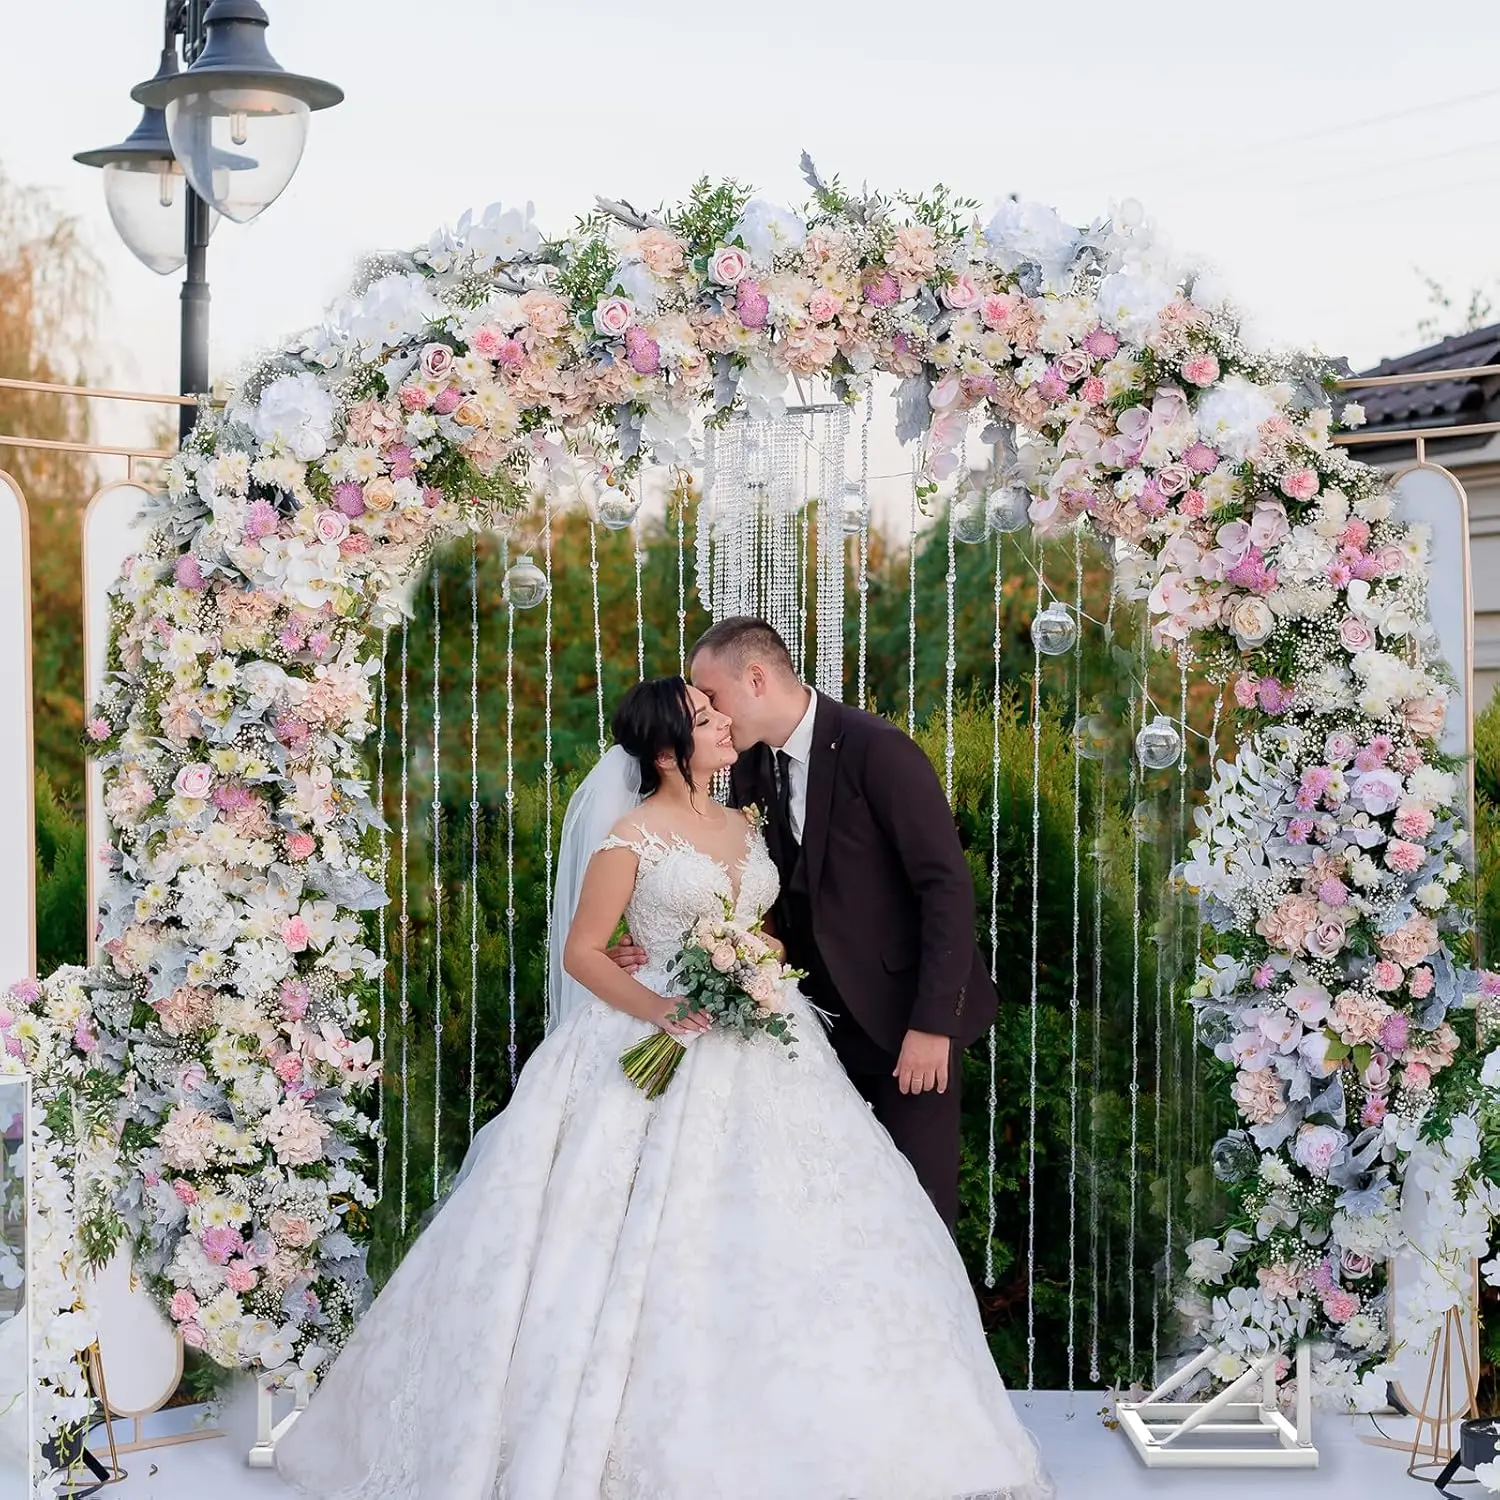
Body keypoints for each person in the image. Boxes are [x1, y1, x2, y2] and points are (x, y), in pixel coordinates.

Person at [275, 676, 1050, 1500]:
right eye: (706, 718)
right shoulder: (630, 837)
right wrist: (662, 1005)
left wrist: (752, 963)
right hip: (657, 1039)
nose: (725, 723)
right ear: (668, 751)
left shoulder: (744, 821)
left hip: (767, 1041)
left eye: (721, 710)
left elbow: (764, 926)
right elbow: (583, 950)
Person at [614, 618, 998, 1231]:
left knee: (917, 1216)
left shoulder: (878, 749)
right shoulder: (743, 770)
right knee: (826, 1217)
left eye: (712, 697)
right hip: (800, 1030)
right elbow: (728, 887)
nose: (708, 714)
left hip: (903, 1026)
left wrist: (933, 1024)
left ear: (757, 679)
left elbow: (945, 888)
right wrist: (649, 943)